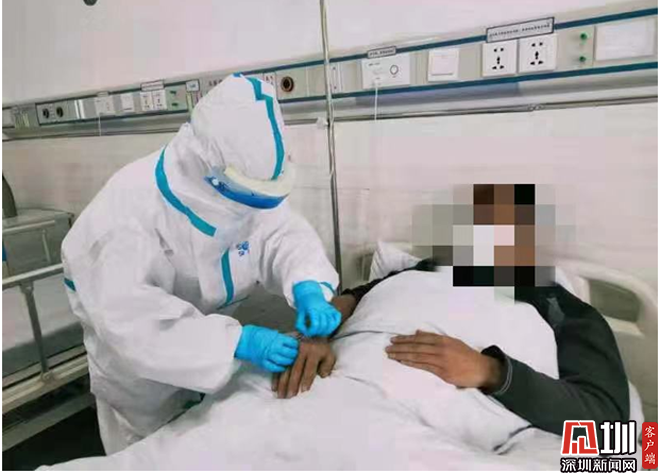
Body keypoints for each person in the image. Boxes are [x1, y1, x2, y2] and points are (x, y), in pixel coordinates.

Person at [61, 74, 341, 453]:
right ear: (209, 171)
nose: (255, 208)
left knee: (205, 442)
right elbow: (134, 325)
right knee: (149, 454)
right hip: (141, 379)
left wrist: (307, 285)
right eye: (250, 198)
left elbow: (279, 233)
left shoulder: (244, 185)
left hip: (209, 363)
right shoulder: (122, 220)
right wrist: (237, 341)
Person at [320, 184, 630, 443]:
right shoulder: (425, 271)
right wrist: (341, 307)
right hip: (333, 387)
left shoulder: (561, 308)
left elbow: (608, 422)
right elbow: (371, 292)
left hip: (419, 424)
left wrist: (491, 371)